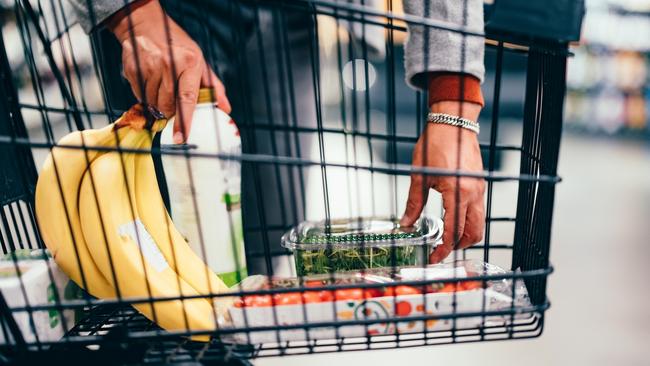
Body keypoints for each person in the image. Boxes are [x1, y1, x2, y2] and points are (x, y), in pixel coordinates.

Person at [68, 0, 486, 265]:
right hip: (167, 13)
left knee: (270, 238)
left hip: (290, 15)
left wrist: (455, 104)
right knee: (169, 253)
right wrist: (133, 17)